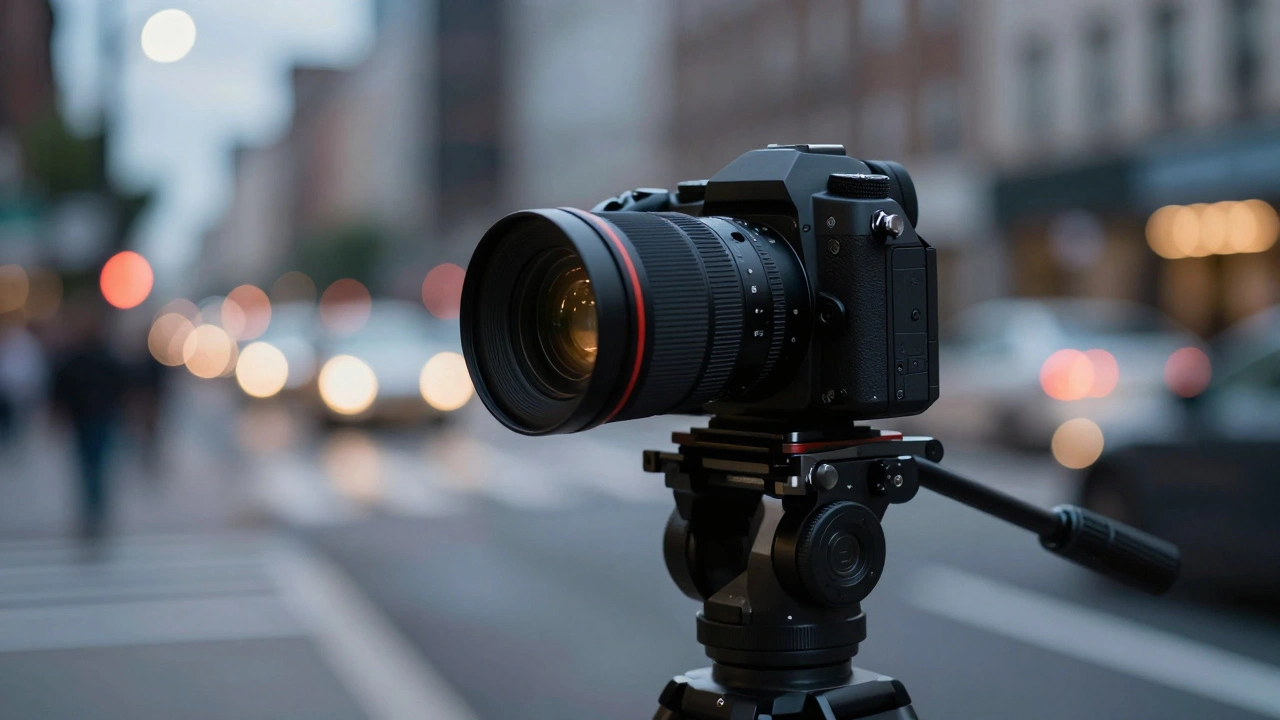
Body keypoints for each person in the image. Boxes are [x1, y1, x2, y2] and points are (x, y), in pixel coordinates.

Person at [51, 296, 129, 540]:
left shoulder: (94, 356)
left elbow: (121, 386)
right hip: (89, 419)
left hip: (97, 419)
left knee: (92, 467)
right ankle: (94, 511)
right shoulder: (82, 357)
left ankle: (94, 511)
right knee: (92, 467)